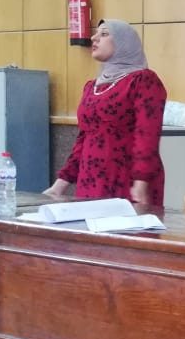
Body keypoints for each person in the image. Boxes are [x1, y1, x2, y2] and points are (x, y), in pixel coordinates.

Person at [44, 19, 167, 207]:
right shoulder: (91, 87)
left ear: (123, 43)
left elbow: (147, 134)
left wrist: (141, 181)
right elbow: (84, 138)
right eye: (96, 33)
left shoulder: (143, 80)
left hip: (127, 179)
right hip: (90, 178)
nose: (94, 38)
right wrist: (60, 185)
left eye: (104, 34)